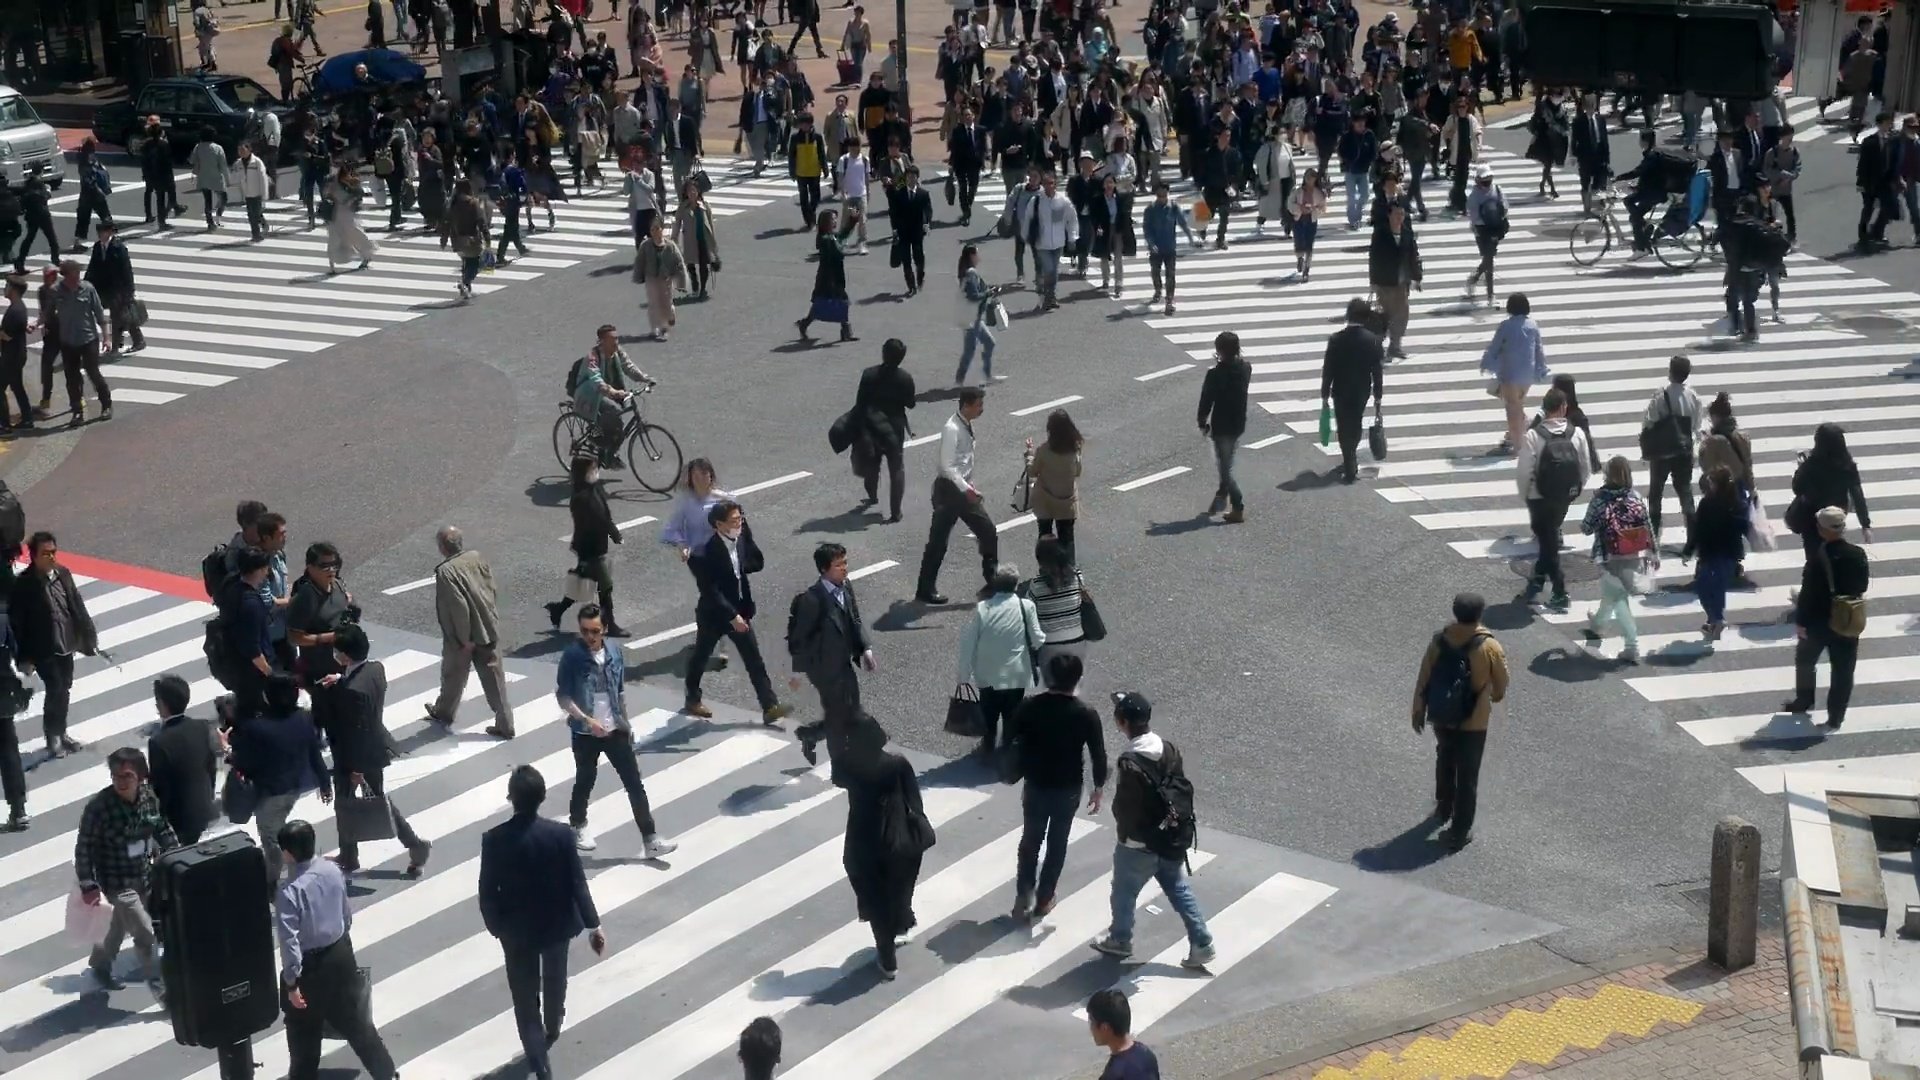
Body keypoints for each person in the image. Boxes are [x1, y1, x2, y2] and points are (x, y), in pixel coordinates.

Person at [479, 764, 606, 1080]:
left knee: (524, 1002)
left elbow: (486, 892)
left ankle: (539, 1064)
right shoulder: (561, 836)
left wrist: (498, 928)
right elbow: (578, 883)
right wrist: (594, 925)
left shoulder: (495, 840)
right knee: (555, 977)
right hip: (557, 925)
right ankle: (554, 1023)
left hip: (516, 932)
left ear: (511, 798)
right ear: (542, 797)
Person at [1092, 691, 1214, 969]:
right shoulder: (1168, 748)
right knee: (1178, 888)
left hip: (1138, 844)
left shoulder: (1130, 760)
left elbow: (1126, 806)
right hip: (1171, 838)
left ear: (1121, 722)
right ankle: (1202, 943)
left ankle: (1120, 940)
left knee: (1123, 892)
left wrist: (1125, 834)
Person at [274, 820, 400, 1080]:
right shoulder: (332, 870)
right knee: (357, 1025)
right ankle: (387, 1074)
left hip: (309, 970)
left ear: (288, 853)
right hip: (340, 956)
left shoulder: (289, 892)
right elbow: (346, 915)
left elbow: (290, 943)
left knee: (303, 1034)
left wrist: (291, 983)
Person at [556, 603, 679, 857]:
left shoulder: (614, 651)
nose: (590, 637)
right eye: (584, 631)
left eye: (595, 631)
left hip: (615, 730)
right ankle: (578, 824)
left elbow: (619, 690)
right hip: (585, 733)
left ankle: (650, 838)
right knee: (585, 779)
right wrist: (588, 720)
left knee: (634, 783)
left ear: (605, 630)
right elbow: (564, 698)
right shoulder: (572, 657)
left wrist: (626, 722)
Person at [326, 624, 432, 877]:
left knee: (349, 802)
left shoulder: (351, 692)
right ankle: (351, 854)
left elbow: (356, 731)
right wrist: (341, 679)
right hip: (375, 747)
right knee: (371, 800)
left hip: (356, 757)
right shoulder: (375, 669)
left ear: (346, 655)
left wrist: (356, 768)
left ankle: (412, 845)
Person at [1409, 593, 1509, 851]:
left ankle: (1444, 807)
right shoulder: (1489, 646)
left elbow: (1424, 676)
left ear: (1455, 612)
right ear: (1480, 614)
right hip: (1474, 721)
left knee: (1444, 758)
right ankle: (1459, 830)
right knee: (1468, 775)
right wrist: (1494, 697)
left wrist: (1419, 710)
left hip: (1442, 715)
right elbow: (1501, 682)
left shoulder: (1439, 641)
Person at [74, 747, 176, 1000]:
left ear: (141, 777)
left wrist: (175, 853)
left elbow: (161, 827)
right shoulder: (99, 808)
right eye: (115, 776)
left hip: (143, 876)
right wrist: (88, 883)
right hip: (117, 883)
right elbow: (84, 846)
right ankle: (160, 987)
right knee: (144, 933)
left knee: (117, 927)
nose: (120, 781)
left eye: (127, 776)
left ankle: (100, 965)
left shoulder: (149, 798)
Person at [1010, 652, 1106, 919]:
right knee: (1057, 843)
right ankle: (1045, 898)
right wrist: (1098, 788)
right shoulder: (1086, 714)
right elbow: (1098, 754)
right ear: (1078, 679)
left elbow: (1011, 736)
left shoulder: (1030, 705)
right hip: (1068, 788)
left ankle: (1023, 894)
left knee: (1030, 840)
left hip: (1036, 783)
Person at [684, 500, 794, 723]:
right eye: (734, 520)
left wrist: (741, 560)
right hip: (714, 614)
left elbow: (756, 562)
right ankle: (692, 698)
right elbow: (709, 590)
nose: (739, 524)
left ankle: (769, 707)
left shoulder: (741, 538)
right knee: (701, 656)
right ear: (719, 525)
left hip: (740, 609)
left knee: (754, 659)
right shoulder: (703, 551)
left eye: (741, 519)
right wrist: (732, 616)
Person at [839, 715, 927, 980]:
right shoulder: (897, 764)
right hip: (898, 838)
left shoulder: (849, 767)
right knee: (900, 885)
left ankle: (887, 957)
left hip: (863, 841)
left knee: (874, 896)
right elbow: (915, 801)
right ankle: (901, 916)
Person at [228, 673, 330, 887]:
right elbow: (314, 752)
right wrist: (324, 781)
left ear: (268, 697)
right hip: (294, 785)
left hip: (271, 791)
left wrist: (229, 751)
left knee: (270, 838)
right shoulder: (303, 718)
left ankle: (273, 879)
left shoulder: (256, 727)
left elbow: (245, 761)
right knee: (276, 829)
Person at [787, 542, 875, 771]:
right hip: (822, 668)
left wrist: (865, 648)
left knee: (852, 711)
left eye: (845, 562)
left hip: (843, 662)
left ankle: (811, 734)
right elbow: (799, 637)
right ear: (824, 570)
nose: (845, 568)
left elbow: (854, 619)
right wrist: (797, 672)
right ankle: (841, 767)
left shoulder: (845, 587)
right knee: (839, 715)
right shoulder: (812, 600)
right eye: (838, 565)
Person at [10, 531, 96, 757]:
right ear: (34, 556)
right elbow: (18, 625)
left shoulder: (64, 574)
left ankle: (61, 731)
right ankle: (53, 736)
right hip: (43, 649)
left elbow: (76, 604)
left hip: (66, 643)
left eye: (53, 552)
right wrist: (24, 658)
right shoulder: (24, 586)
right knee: (55, 688)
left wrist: (88, 636)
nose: (51, 557)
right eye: (45, 553)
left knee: (65, 688)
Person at [1784, 506, 1869, 730]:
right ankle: (1835, 717)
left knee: (1805, 661)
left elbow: (1808, 593)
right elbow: (1862, 585)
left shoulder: (1818, 558)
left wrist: (1801, 621)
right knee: (1843, 671)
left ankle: (1804, 700)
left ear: (1822, 530)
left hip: (1818, 622)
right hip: (1847, 619)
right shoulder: (1857, 554)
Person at [428, 525, 514, 737]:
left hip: (462, 636)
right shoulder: (477, 557)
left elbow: (458, 606)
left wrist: (465, 638)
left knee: (453, 674)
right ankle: (506, 722)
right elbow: (491, 588)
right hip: (487, 627)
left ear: (442, 547)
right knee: (494, 679)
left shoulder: (446, 572)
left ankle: (444, 712)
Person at [915, 386, 998, 605]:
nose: (982, 409)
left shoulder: (965, 424)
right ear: (967, 405)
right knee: (939, 541)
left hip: (960, 489)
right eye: (979, 405)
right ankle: (925, 588)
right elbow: (946, 466)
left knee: (987, 531)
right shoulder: (952, 428)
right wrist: (967, 489)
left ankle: (992, 580)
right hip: (950, 492)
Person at [1516, 386, 1594, 612]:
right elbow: (1585, 467)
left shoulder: (1533, 436)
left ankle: (1559, 589)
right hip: (1563, 497)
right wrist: (1573, 490)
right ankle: (1539, 576)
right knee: (1549, 537)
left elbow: (1524, 472)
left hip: (1538, 497)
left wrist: (1526, 495)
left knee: (1548, 542)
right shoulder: (1576, 433)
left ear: (1545, 408)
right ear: (1563, 408)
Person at [958, 563, 1043, 760]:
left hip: (987, 674)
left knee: (989, 711)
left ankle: (988, 745)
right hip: (1016, 673)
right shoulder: (1026, 606)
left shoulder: (982, 608)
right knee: (1012, 714)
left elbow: (968, 643)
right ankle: (1008, 748)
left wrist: (963, 675)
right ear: (1015, 585)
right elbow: (1038, 638)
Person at [1580, 457, 1655, 663]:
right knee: (1612, 595)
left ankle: (1632, 646)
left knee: (1619, 600)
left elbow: (1586, 528)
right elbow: (1648, 526)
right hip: (1633, 555)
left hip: (1608, 556)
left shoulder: (1600, 499)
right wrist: (1654, 552)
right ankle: (1596, 625)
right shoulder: (1635, 497)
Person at [549, 455, 626, 634]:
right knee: (605, 585)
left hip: (596, 546)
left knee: (583, 583)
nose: (596, 472)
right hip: (589, 548)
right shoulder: (581, 498)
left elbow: (605, 516)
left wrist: (613, 532)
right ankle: (611, 624)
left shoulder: (594, 489)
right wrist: (612, 532)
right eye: (592, 470)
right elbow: (596, 520)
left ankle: (558, 609)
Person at [1639, 355, 1708, 549]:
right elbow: (1696, 425)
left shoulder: (1661, 395)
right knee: (1685, 492)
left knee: (1656, 493)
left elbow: (1650, 420)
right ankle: (1692, 538)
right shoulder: (1693, 396)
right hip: (1684, 450)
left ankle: (1653, 536)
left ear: (1670, 372)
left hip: (1662, 452)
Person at [144, 674, 220, 845]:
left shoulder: (158, 742)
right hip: (203, 806)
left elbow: (161, 788)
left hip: (179, 817)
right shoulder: (201, 726)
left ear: (162, 704)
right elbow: (211, 766)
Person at [1320, 298, 1387, 484]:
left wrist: (1324, 393)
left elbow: (1328, 369)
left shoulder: (1336, 339)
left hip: (1340, 389)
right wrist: (1378, 396)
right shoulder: (1372, 341)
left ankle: (1348, 457)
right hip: (1361, 389)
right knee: (1356, 420)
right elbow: (1377, 372)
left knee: (1343, 423)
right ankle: (1351, 455)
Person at [1682, 466, 1748, 644]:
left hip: (1713, 551)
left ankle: (1716, 619)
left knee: (1706, 587)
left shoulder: (1710, 503)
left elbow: (1697, 530)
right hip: (1726, 552)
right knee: (1714, 587)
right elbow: (1744, 527)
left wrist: (1689, 550)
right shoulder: (1736, 504)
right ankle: (1715, 619)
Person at [852, 339, 915, 522]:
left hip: (872, 424)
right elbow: (910, 404)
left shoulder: (869, 374)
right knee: (896, 467)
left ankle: (872, 495)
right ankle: (896, 512)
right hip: (894, 427)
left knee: (872, 461)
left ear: (883, 352)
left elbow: (860, 402)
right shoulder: (905, 378)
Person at [1787, 423, 1873, 556]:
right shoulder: (1847, 465)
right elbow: (1857, 494)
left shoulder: (1811, 464)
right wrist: (1865, 524)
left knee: (1814, 553)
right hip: (1836, 513)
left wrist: (1801, 468)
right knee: (1835, 548)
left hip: (1812, 514)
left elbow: (1797, 488)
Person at [1479, 293, 1548, 455]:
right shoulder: (1533, 325)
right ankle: (1515, 433)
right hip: (1527, 375)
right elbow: (1538, 349)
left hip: (1510, 373)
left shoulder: (1506, 326)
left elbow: (1494, 346)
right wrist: (1541, 368)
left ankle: (1519, 445)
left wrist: (1487, 363)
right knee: (1517, 404)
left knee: (1512, 409)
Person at [49, 259, 113, 426]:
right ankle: (77, 411)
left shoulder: (88, 289)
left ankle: (106, 404)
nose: (78, 277)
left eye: (78, 273)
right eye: (74, 274)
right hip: (68, 341)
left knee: (93, 373)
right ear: (66, 276)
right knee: (72, 379)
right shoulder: (56, 291)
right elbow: (47, 312)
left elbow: (100, 314)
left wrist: (106, 337)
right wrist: (38, 323)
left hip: (88, 339)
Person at [1197, 330, 1250, 521]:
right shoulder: (1246, 368)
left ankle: (1237, 505)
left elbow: (1206, 401)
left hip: (1222, 427)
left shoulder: (1215, 374)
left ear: (1219, 350)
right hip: (1238, 424)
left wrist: (1202, 422)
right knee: (1227, 461)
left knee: (1225, 468)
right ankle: (1222, 493)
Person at [1367, 202, 1422, 360]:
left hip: (1402, 282)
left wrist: (1417, 276)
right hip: (1384, 281)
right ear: (1389, 215)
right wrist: (1373, 281)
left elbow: (1413, 256)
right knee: (1384, 315)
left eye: (1402, 214)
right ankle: (1378, 345)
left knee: (1402, 315)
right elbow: (1374, 258)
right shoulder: (1380, 234)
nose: (1399, 218)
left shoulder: (1407, 233)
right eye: (1397, 214)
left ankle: (1395, 345)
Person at [1017, 170, 1077, 311]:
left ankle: (1051, 296)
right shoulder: (1036, 201)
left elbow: (1072, 219)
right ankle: (1049, 296)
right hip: (1042, 242)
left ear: (1055, 184)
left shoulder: (1063, 201)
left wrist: (1072, 237)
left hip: (1058, 242)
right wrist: (1024, 236)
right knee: (1048, 269)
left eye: (1051, 183)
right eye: (1046, 183)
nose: (1049, 186)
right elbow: (1028, 219)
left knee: (1053, 270)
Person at [1028, 409, 1083, 558]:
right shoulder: (1075, 449)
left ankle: (1046, 569)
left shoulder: (1044, 450)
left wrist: (1029, 454)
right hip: (1067, 502)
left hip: (1045, 500)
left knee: (1045, 534)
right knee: (1067, 538)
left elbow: (1032, 472)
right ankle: (1067, 570)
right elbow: (1077, 472)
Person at [83, 222, 143, 356]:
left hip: (118, 289)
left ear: (110, 232)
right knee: (122, 316)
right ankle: (138, 340)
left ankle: (115, 347)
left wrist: (129, 291)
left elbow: (127, 271)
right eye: (99, 232)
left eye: (103, 231)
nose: (100, 235)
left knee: (117, 317)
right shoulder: (98, 247)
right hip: (103, 288)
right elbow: (92, 267)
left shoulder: (119, 248)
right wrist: (85, 283)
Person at [797, 209, 856, 343]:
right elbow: (837, 251)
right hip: (828, 277)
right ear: (825, 223)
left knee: (841, 301)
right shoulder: (824, 239)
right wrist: (843, 250)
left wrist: (853, 218)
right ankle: (805, 323)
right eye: (832, 219)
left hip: (836, 275)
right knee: (824, 303)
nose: (835, 221)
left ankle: (845, 331)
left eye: (836, 219)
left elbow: (844, 234)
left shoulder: (833, 236)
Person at [1141, 179, 1199, 316]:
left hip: (1169, 247)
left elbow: (1183, 223)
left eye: (1164, 195)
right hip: (1155, 247)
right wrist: (1151, 243)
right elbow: (1146, 228)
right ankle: (1157, 289)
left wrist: (1190, 238)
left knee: (1170, 274)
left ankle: (1169, 300)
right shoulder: (1150, 209)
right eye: (1159, 195)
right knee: (1155, 271)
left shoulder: (1173, 207)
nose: (1162, 198)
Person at [635, 215, 689, 340]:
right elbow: (640, 261)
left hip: (666, 279)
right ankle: (657, 328)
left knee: (666, 302)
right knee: (653, 303)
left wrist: (681, 282)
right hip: (651, 277)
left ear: (662, 229)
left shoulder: (670, 245)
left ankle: (669, 319)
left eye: (657, 228)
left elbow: (679, 263)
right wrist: (639, 276)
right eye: (652, 229)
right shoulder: (646, 246)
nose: (654, 232)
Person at [1088, 989, 1161, 1079]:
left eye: (1092, 1022)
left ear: (1104, 1028)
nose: (1091, 1029)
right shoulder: (1147, 1054)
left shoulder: (1113, 1075)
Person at [1463, 164, 1506, 305]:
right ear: (1477, 180)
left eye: (1489, 178)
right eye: (1484, 179)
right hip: (1482, 231)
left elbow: (1505, 206)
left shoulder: (1497, 190)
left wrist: (1497, 219)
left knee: (1489, 259)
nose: (1487, 182)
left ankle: (1474, 279)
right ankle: (1490, 294)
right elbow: (1475, 218)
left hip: (1495, 228)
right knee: (1489, 260)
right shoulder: (1474, 197)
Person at [672, 180, 721, 300]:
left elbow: (710, 224)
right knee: (690, 264)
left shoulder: (705, 206)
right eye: (689, 191)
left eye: (694, 190)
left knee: (704, 265)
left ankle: (703, 289)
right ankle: (695, 286)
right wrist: (674, 238)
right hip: (689, 240)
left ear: (698, 191)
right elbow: (677, 223)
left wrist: (713, 243)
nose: (692, 193)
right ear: (686, 193)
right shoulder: (683, 207)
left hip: (703, 239)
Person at [324, 164, 377, 273]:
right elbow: (327, 196)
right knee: (334, 238)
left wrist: (350, 200)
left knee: (353, 234)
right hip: (335, 215)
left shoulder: (352, 182)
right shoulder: (331, 182)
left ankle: (366, 256)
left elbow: (359, 194)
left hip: (346, 214)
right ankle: (332, 265)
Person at [1287, 166, 1327, 280]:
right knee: (1299, 242)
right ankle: (1300, 258)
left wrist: (1314, 210)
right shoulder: (1297, 191)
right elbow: (1290, 204)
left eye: (1312, 178)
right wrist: (1299, 208)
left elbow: (1323, 208)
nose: (1310, 181)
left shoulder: (1319, 193)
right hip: (1298, 219)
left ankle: (1306, 269)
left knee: (1309, 245)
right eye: (1308, 178)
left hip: (1311, 220)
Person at [190, 127, 230, 230]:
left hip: (203, 177)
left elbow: (192, 160)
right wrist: (228, 179)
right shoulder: (218, 148)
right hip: (217, 177)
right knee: (224, 198)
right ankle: (218, 215)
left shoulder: (198, 147)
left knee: (208, 200)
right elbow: (223, 165)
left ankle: (210, 222)